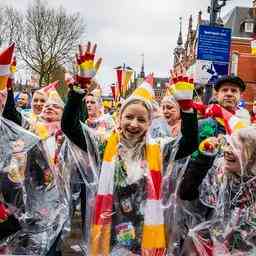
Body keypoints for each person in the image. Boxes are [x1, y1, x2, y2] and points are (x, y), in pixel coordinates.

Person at [61, 42, 198, 255]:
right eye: (129, 117)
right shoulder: (103, 144)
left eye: (141, 119)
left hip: (145, 231)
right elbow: (69, 126)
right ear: (119, 117)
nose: (134, 124)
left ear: (149, 123)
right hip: (109, 230)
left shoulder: (159, 149)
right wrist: (79, 88)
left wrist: (188, 109)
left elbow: (189, 143)